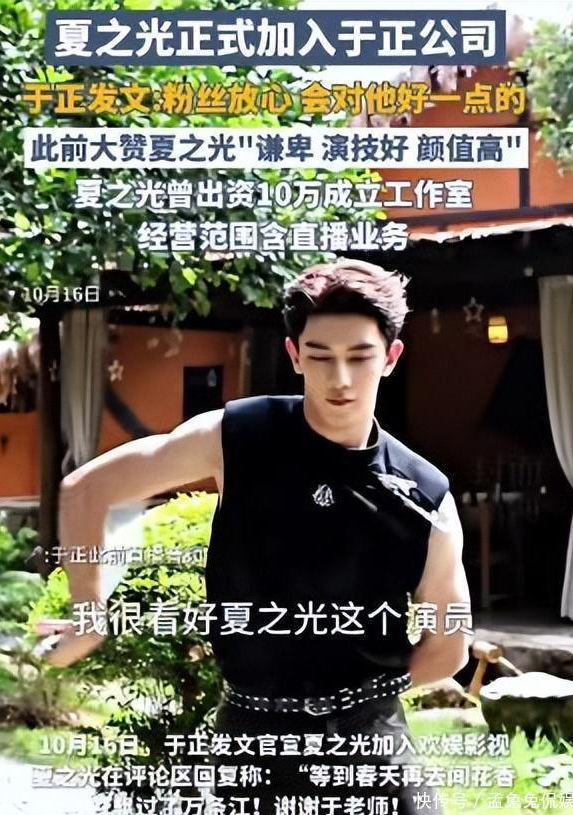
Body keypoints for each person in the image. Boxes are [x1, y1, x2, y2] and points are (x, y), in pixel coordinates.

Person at [46, 259, 472, 814]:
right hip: (252, 742)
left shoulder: (425, 494)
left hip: (372, 749)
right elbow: (86, 489)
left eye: (360, 357)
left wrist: (352, 702)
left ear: (390, 358)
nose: (340, 379)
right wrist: (89, 613)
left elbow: (449, 646)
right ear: (294, 355)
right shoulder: (237, 436)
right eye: (320, 356)